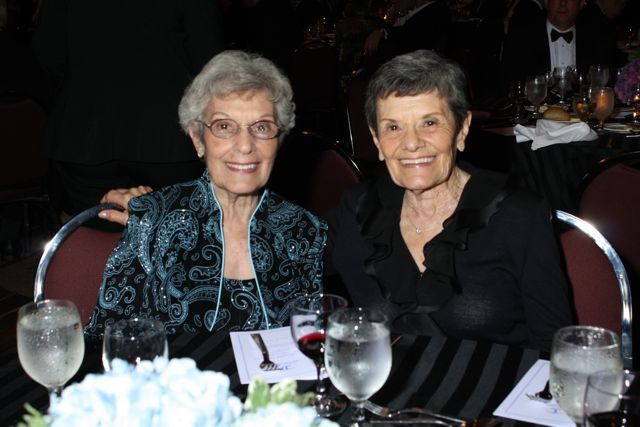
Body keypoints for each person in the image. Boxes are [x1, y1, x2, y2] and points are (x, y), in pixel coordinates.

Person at [324, 50, 573, 351]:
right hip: (379, 381)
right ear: (376, 139)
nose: (411, 143)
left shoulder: (519, 217)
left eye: (429, 123)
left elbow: (556, 349)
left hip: (497, 382)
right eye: (393, 127)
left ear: (462, 129)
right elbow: (286, 261)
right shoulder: (357, 208)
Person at [84, 51, 328, 337]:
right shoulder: (155, 219)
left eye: (261, 127)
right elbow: (107, 337)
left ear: (279, 139)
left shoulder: (304, 229)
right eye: (224, 126)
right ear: (198, 138)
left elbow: (312, 339)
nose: (245, 145)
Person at [32, 0, 224, 221]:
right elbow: (211, 63)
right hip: (167, 135)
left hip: (85, 134)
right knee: (178, 229)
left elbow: (48, 54)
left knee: (94, 233)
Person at [500, 0, 620, 84]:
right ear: (546, 2)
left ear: (581, 3)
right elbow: (507, 86)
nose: (563, 3)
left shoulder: (598, 41)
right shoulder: (521, 39)